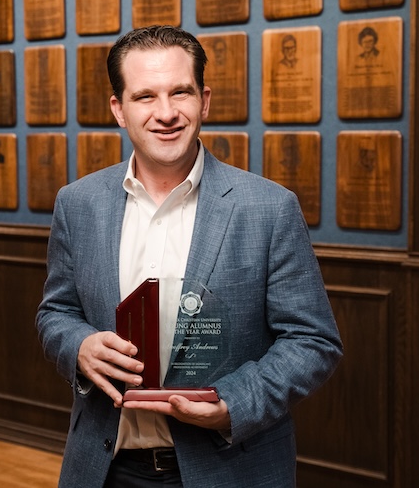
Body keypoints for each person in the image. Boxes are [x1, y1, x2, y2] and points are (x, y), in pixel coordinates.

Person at [36, 25, 342, 487]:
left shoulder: (269, 207)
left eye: (180, 92)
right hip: (105, 468)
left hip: (228, 468)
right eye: (145, 97)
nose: (166, 113)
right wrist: (78, 345)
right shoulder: (78, 204)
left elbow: (314, 341)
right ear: (119, 109)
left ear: (204, 100)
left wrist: (232, 406)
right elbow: (55, 312)